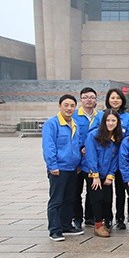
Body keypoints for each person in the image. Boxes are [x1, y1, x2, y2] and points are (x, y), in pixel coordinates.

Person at [42, 94, 84, 241]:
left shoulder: (75, 123)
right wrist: (52, 165)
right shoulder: (52, 123)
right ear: (59, 106)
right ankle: (54, 229)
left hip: (73, 168)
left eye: (72, 106)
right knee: (56, 200)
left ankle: (66, 225)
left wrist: (79, 163)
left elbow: (77, 145)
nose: (69, 108)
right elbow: (49, 146)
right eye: (66, 105)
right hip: (59, 168)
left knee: (69, 198)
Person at [89, 88, 129, 229]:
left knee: (120, 191)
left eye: (118, 98)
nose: (115, 100)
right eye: (112, 97)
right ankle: (102, 220)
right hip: (102, 161)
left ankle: (120, 218)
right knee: (101, 194)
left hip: (120, 160)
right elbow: (93, 135)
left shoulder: (128, 117)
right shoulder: (100, 116)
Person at [83, 110, 122, 237]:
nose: (110, 123)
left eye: (113, 120)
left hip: (107, 173)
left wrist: (110, 175)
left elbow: (115, 158)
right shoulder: (93, 136)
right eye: (108, 120)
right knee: (97, 198)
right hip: (92, 173)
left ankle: (106, 222)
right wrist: (95, 175)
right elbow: (91, 156)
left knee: (107, 199)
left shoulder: (117, 137)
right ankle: (98, 225)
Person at [74, 87, 100, 229]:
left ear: (96, 100)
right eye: (85, 97)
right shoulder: (74, 116)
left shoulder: (100, 116)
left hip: (93, 161)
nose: (89, 100)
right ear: (81, 100)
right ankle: (77, 218)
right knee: (76, 191)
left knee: (92, 190)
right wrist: (81, 149)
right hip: (77, 161)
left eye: (91, 97)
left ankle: (90, 217)